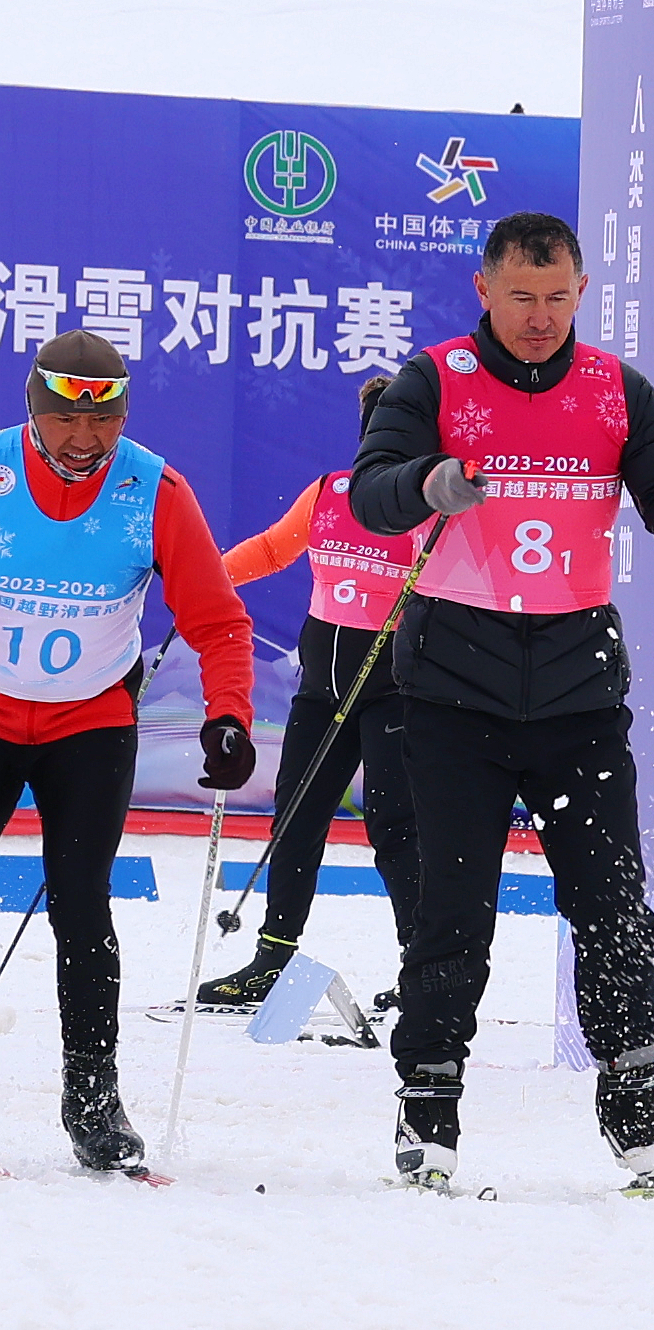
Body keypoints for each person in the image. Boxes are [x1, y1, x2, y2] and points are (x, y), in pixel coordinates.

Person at [349, 212, 654, 1192]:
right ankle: (429, 1109)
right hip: (452, 696)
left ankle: (634, 1108)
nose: (540, 318)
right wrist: (429, 480)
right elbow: (370, 490)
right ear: (485, 290)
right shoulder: (437, 381)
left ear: (582, 291)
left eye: (559, 298)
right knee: (452, 912)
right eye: (522, 298)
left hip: (574, 693)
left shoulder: (612, 389)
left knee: (611, 909)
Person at [0, 330, 256, 1171]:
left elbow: (218, 620)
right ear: (33, 412)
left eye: (101, 424)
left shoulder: (155, 489)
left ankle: (93, 1099)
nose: (83, 443)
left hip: (89, 724)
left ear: (122, 417)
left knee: (83, 906)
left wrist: (229, 716)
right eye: (64, 423)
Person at [199, 375, 429, 1009]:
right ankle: (271, 960)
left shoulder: (433, 511)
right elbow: (275, 548)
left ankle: (422, 970)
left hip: (392, 695)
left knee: (395, 828)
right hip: (321, 694)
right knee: (295, 820)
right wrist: (205, 577)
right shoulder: (330, 493)